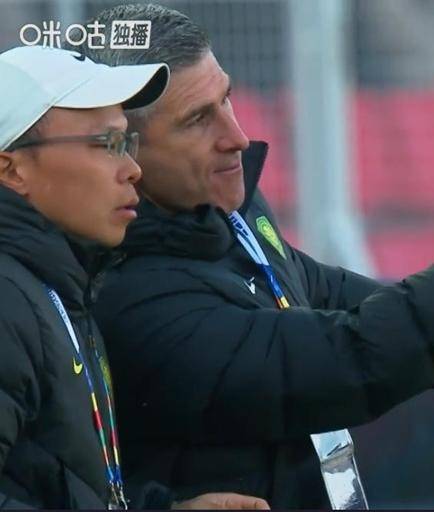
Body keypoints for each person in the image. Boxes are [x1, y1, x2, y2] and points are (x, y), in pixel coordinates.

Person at [77, 4, 434, 509]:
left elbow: (315, 288)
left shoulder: (216, 208)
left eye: (226, 98)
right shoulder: (134, 297)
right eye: (197, 120)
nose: (236, 136)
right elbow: (346, 359)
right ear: (125, 150)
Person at [0, 45, 267, 511]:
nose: (132, 169)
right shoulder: (9, 300)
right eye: (106, 145)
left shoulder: (60, 285)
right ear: (11, 169)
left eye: (127, 143)